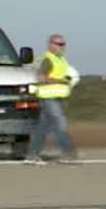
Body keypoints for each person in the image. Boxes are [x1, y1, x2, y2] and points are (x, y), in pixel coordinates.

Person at [26, 33, 80, 165]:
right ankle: (69, 152)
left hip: (58, 97)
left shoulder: (61, 59)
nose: (62, 47)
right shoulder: (48, 59)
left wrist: (65, 81)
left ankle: (32, 155)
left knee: (42, 128)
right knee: (59, 123)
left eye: (63, 44)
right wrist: (60, 80)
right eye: (59, 44)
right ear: (50, 45)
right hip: (48, 97)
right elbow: (41, 77)